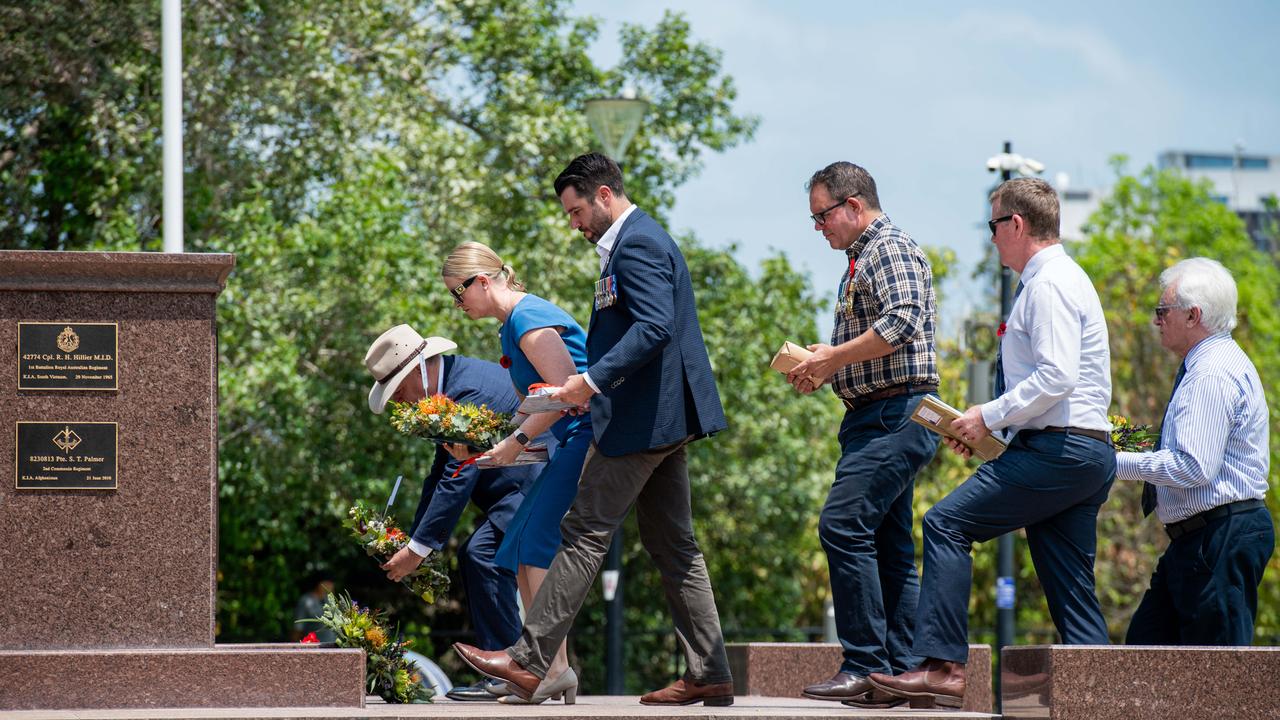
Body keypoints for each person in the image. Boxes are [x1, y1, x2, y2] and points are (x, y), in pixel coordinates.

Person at [452, 152, 735, 707]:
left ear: (605, 194)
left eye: (577, 210)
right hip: (659, 416)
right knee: (674, 545)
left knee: (582, 531)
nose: (574, 223)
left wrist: (588, 383)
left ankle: (530, 661)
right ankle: (711, 672)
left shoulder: (639, 244)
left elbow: (654, 327)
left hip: (641, 418)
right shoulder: (631, 244)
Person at [870, 177, 1115, 708]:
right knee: (1071, 589)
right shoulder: (1065, 279)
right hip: (1083, 454)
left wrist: (989, 413)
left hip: (1058, 451)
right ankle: (1103, 700)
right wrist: (990, 430)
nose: (991, 239)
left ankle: (943, 667)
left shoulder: (1048, 284)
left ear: (1018, 225)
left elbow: (1056, 377)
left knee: (945, 523)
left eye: (993, 226)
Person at [784, 161, 940, 710]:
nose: (818, 227)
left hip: (896, 414)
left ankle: (865, 664)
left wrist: (832, 358)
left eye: (822, 215)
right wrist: (825, 367)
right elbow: (873, 340)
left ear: (854, 205)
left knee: (843, 525)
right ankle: (903, 672)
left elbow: (899, 325)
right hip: (874, 415)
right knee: (888, 544)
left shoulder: (889, 248)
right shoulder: (860, 259)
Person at [440, 241, 593, 704]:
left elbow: (571, 392)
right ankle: (551, 668)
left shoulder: (527, 318)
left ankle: (544, 666)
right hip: (567, 439)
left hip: (590, 435)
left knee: (535, 538)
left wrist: (516, 443)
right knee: (523, 541)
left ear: (483, 282)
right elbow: (538, 403)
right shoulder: (512, 326)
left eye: (458, 292)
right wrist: (496, 446)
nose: (457, 303)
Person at [364, 324, 542, 701]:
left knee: (483, 555)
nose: (399, 404)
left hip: (532, 482)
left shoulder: (465, 393)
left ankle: (516, 672)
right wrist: (411, 539)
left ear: (415, 371)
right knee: (480, 554)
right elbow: (440, 470)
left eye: (397, 393)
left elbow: (457, 479)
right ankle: (518, 669)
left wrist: (416, 552)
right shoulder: (450, 388)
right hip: (513, 489)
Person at [1120, 257, 1274, 645]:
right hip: (1202, 538)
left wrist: (1110, 462)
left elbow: (1192, 466)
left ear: (1193, 315)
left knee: (1217, 683)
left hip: (1217, 538)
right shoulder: (1208, 365)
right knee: (1143, 658)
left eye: (1162, 310)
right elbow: (1179, 444)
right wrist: (1114, 437)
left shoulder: (1210, 373)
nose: (1157, 320)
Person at [290, 573, 336, 643]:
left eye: (331, 583)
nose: (330, 586)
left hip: (332, 647)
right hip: (314, 648)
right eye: (327, 583)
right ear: (319, 584)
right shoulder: (305, 601)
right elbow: (297, 630)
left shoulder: (330, 601)